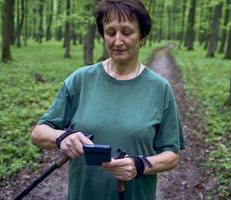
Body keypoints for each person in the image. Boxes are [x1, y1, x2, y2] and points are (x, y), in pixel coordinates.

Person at [31, 0, 185, 199]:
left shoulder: (159, 88)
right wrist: (61, 138)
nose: (117, 41)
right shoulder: (81, 80)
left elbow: (171, 156)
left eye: (127, 32)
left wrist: (139, 165)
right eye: (110, 33)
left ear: (142, 36)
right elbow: (38, 133)